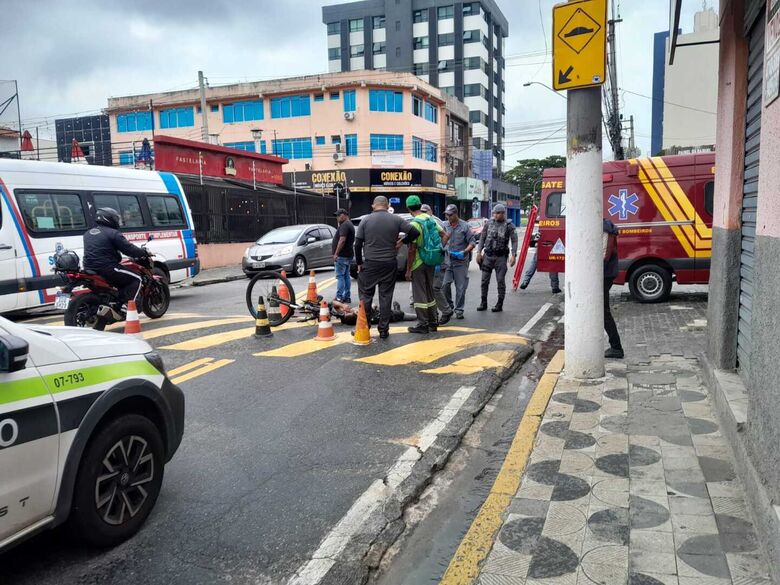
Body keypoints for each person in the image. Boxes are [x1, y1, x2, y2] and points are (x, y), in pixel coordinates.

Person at [354, 196, 419, 339]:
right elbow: (415, 232)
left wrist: (359, 263)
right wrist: (402, 241)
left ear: (373, 205)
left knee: (366, 297)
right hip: (389, 263)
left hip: (370, 264)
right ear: (387, 205)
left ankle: (364, 327)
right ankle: (383, 330)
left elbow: (357, 244)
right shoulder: (396, 219)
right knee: (385, 297)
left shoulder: (365, 220)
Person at [82, 207, 151, 321]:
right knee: (137, 279)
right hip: (107, 268)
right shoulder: (113, 233)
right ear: (109, 219)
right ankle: (127, 308)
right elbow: (129, 249)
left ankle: (114, 302)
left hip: (89, 268)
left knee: (122, 277)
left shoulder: (88, 233)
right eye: (115, 218)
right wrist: (143, 252)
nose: (117, 221)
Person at [406, 196, 448, 333]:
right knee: (430, 291)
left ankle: (422, 324)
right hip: (431, 260)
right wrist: (438, 249)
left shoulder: (414, 224)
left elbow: (412, 249)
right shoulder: (430, 219)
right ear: (419, 205)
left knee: (419, 294)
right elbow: (445, 235)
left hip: (419, 261)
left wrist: (408, 269)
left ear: (408, 208)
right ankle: (433, 322)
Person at [476, 204, 518, 312]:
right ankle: (483, 302)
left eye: (497, 213)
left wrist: (513, 255)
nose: (495, 215)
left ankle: (499, 304)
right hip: (488, 257)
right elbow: (482, 238)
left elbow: (514, 240)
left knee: (500, 281)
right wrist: (478, 252)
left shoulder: (509, 225)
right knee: (484, 281)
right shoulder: (488, 224)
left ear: (502, 213)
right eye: (494, 213)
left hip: (501, 258)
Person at [442, 204, 476, 320]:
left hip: (460, 262)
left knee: (460, 287)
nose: (448, 217)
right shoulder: (444, 225)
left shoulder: (465, 226)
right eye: (447, 215)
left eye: (450, 215)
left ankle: (459, 309)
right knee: (445, 285)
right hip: (447, 261)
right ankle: (449, 306)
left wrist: (464, 252)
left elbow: (472, 242)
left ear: (456, 214)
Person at [421, 204, 453, 325]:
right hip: (430, 261)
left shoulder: (434, 222)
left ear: (430, 212)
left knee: (434, 288)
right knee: (430, 289)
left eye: (425, 211)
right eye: (422, 211)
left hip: (439, 261)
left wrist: (438, 250)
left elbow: (446, 236)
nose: (423, 213)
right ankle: (434, 317)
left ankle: (446, 310)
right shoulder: (424, 222)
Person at [603, 219, 624, 358]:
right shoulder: (606, 227)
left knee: (603, 311)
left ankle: (616, 347)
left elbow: (604, 253)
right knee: (601, 311)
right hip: (608, 272)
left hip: (604, 274)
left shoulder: (603, 228)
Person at [332, 208, 355, 303]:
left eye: (338, 215)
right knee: (346, 276)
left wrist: (336, 253)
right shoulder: (349, 224)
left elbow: (342, 240)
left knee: (340, 276)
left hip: (342, 255)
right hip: (348, 254)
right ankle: (347, 296)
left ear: (344, 215)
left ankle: (339, 297)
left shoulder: (344, 225)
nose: (337, 218)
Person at [331, 300, 415, 326]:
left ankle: (397, 309)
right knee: (406, 315)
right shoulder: (361, 316)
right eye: (347, 312)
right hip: (392, 315)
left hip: (384, 312)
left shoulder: (345, 315)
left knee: (394, 311)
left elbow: (333, 303)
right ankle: (398, 309)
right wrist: (372, 306)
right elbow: (373, 306)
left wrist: (342, 305)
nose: (346, 310)